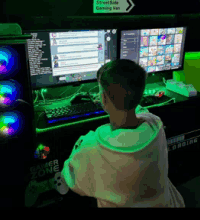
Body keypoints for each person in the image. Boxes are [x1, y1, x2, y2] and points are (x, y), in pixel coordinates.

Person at [61, 59, 185, 207]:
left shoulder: (93, 145)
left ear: (103, 98)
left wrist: (80, 144)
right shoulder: (155, 125)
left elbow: (71, 179)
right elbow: (141, 111)